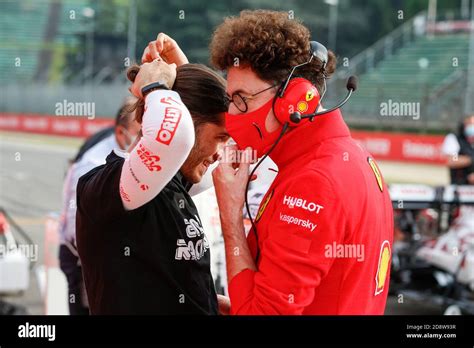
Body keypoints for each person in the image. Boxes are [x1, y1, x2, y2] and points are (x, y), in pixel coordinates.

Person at [142, 11, 394, 314]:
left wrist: (231, 217)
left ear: (294, 102)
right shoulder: (351, 157)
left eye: (241, 99)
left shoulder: (313, 184)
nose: (232, 114)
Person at [75, 60, 230, 314]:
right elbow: (173, 140)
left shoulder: (175, 181)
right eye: (220, 138)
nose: (220, 154)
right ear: (188, 124)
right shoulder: (109, 189)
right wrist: (155, 85)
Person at [58, 98, 140, 315]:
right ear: (121, 133)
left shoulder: (129, 155)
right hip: (80, 257)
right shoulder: (93, 164)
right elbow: (77, 227)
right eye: (139, 134)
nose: (144, 140)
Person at [441, 115, 474, 185]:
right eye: (470, 124)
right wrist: (471, 159)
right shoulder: (454, 139)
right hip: (460, 187)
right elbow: (454, 160)